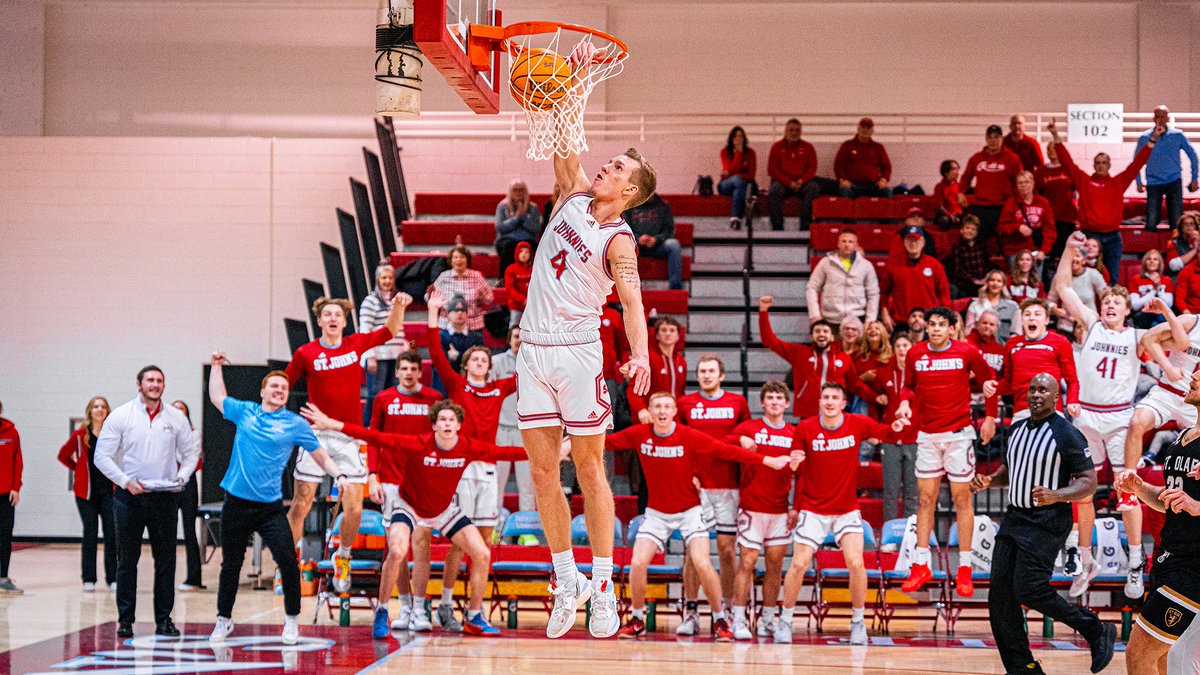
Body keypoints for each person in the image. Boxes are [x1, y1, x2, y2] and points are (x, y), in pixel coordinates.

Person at [516, 59, 654, 638]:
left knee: (591, 471)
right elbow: (565, 142)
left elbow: (632, 303)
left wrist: (641, 354)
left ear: (631, 191)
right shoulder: (569, 199)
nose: (606, 166)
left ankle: (603, 586)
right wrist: (566, 87)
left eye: (618, 166)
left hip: (577, 353)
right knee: (545, 476)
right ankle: (565, 579)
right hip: (533, 350)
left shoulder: (620, 242)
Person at [304, 399, 526, 638]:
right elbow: (375, 437)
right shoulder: (419, 444)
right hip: (408, 505)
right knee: (397, 552)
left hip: (442, 510)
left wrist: (555, 453)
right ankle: (382, 611)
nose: (447, 424)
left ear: (459, 425)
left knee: (482, 553)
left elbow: (506, 452)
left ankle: (474, 616)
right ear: (434, 426)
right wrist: (331, 424)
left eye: (452, 420)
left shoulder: (467, 446)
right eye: (442, 419)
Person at [603, 392, 789, 640]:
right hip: (657, 514)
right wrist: (569, 444)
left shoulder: (688, 436)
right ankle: (637, 617)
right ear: (650, 410)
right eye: (657, 406)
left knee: (702, 561)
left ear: (673, 412)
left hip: (690, 512)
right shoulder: (639, 434)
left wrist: (767, 460)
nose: (661, 411)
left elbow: (726, 451)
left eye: (667, 406)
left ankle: (719, 618)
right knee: (638, 563)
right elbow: (604, 441)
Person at [971, 373, 1113, 675]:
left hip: (1048, 520)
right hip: (1015, 517)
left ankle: (1095, 629)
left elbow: (1089, 482)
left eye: (1043, 390)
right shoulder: (1017, 429)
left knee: (1029, 589)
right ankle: (1023, 667)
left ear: (1055, 397)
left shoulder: (1067, 433)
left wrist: (1057, 495)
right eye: (1032, 389)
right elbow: (1011, 471)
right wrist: (989, 481)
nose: (1036, 394)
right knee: (999, 598)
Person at [206, 353, 347, 645]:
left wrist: (339, 476)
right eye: (274, 387)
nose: (279, 391)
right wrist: (217, 367)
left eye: (283, 388)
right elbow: (218, 397)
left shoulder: (295, 424)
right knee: (231, 564)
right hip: (236, 503)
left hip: (270, 508)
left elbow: (320, 455)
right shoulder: (245, 411)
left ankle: (292, 621)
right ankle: (223, 620)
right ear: (263, 392)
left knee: (287, 560)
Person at [285, 293, 409, 593]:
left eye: (337, 314)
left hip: (348, 434)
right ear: (319, 320)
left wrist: (399, 307)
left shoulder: (355, 344)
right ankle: (287, 564)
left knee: (354, 507)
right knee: (301, 504)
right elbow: (281, 384)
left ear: (344, 320)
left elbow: (389, 331)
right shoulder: (306, 353)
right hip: (315, 435)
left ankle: (343, 557)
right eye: (326, 314)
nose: (332, 319)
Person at [776, 383, 910, 645]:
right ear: (819, 402)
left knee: (856, 563)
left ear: (843, 402)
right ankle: (786, 620)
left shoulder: (856, 422)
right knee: (799, 563)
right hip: (813, 509)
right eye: (825, 397)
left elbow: (888, 433)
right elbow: (797, 467)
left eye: (834, 397)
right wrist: (793, 464)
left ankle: (858, 622)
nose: (829, 401)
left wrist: (896, 425)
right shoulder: (805, 428)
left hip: (846, 509)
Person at [1052, 232, 1146, 598]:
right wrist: (1068, 247)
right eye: (1106, 301)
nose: (1109, 306)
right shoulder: (1090, 324)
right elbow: (1062, 286)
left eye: (1115, 304)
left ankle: (1136, 562)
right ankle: (1085, 557)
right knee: (1084, 492)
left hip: (1121, 420)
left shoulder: (1138, 337)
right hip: (1088, 418)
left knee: (1128, 494)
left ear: (1126, 311)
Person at [426, 293, 517, 630]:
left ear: (489, 367)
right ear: (466, 365)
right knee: (458, 544)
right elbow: (436, 354)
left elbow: (530, 376)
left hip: (489, 469)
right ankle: (447, 603)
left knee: (484, 543)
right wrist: (434, 313)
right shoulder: (457, 384)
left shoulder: (498, 389)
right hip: (461, 470)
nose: (480, 364)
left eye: (484, 361)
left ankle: (475, 613)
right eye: (475, 360)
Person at [894, 307, 998, 597]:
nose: (936, 329)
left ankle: (965, 568)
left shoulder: (967, 352)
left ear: (952, 329)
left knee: (961, 499)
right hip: (927, 435)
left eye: (941, 324)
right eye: (931, 324)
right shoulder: (915, 354)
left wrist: (990, 418)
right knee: (924, 500)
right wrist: (904, 403)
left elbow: (990, 384)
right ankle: (920, 564)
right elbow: (908, 388)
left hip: (958, 436)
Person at [95, 366, 199, 638]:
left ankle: (164, 621)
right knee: (127, 561)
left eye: (160, 381)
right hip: (128, 498)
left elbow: (190, 455)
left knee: (166, 561)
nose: (155, 385)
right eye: (150, 380)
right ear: (139, 383)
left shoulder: (176, 417)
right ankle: (125, 621)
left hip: (164, 498)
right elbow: (101, 457)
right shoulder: (121, 415)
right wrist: (124, 480)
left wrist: (182, 476)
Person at [1115, 373, 1200, 675]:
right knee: (1166, 660)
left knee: (1138, 655)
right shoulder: (1182, 436)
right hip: (1170, 558)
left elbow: (1190, 505)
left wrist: (1196, 506)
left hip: (1193, 567)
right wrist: (1139, 489)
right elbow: (1168, 500)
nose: (1193, 376)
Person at [366, 350, 445, 631]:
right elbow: (373, 439)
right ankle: (406, 605)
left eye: (414, 369)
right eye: (404, 369)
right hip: (390, 482)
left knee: (421, 545)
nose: (409, 373)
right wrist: (372, 476)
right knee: (396, 549)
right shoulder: (384, 399)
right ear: (397, 372)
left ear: (420, 372)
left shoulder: (434, 399)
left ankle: (421, 609)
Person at [1128, 291, 1200, 599]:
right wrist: (1167, 367)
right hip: (1171, 389)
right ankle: (1129, 482)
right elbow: (1148, 338)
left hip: (1192, 402)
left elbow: (1179, 344)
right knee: (1136, 423)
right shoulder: (1191, 320)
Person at [676, 354, 751, 633]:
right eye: (702, 371)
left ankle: (727, 609)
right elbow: (677, 442)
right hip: (696, 487)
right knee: (694, 554)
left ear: (721, 375)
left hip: (729, 487)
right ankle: (691, 611)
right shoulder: (685, 404)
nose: (706, 375)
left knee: (727, 550)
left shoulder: (738, 403)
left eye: (711, 371)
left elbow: (747, 441)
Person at [1048, 117, 1163, 284]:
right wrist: (1055, 135)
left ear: (1109, 165)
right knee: (1083, 280)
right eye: (1098, 163)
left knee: (1112, 280)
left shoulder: (1118, 182)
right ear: (1094, 165)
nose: (1101, 165)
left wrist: (1153, 139)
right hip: (1089, 235)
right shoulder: (1084, 181)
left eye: (1104, 162)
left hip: (1113, 238)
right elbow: (1067, 163)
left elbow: (1137, 164)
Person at [727, 381, 798, 640]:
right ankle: (738, 618)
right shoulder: (750, 428)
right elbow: (722, 442)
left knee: (775, 564)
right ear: (763, 403)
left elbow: (803, 473)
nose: (775, 402)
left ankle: (769, 618)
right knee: (746, 562)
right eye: (770, 398)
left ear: (787, 404)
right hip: (751, 507)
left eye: (780, 398)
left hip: (780, 510)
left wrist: (795, 507)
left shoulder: (794, 433)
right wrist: (740, 438)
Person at [759, 297, 875, 418]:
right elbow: (769, 341)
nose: (821, 334)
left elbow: (856, 385)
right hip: (808, 414)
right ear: (811, 337)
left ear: (832, 337)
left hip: (835, 415)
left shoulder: (844, 358)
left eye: (825, 331)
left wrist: (876, 398)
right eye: (817, 331)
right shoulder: (800, 353)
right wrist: (763, 311)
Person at [58, 396, 116, 592]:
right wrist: (78, 471)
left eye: (103, 407)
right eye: (96, 406)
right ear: (90, 411)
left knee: (111, 534)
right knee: (90, 534)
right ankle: (88, 579)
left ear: (108, 411)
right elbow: (63, 455)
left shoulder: (113, 433)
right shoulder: (80, 435)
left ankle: (113, 578)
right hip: (86, 494)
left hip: (109, 492)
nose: (99, 410)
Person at [991, 298, 1079, 424]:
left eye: (1037, 314)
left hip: (1051, 411)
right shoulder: (1011, 344)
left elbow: (1072, 380)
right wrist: (993, 388)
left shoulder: (1061, 342)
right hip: (1021, 413)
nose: (1032, 318)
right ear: (1022, 321)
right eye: (1027, 314)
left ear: (1046, 320)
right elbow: (1009, 383)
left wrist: (1072, 401)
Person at [875, 333, 921, 520]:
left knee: (912, 490)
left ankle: (910, 533)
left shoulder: (920, 373)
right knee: (891, 490)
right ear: (893, 349)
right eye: (899, 346)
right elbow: (875, 398)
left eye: (906, 345)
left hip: (914, 436)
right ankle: (889, 535)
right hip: (890, 437)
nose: (902, 349)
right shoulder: (884, 372)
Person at [359, 262, 409, 424]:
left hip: (396, 356)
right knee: (375, 394)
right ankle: (367, 428)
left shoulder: (396, 300)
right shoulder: (370, 301)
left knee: (392, 395)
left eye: (390, 277)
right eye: (384, 277)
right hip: (378, 357)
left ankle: (386, 429)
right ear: (377, 279)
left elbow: (398, 327)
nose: (387, 281)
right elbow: (365, 330)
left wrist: (404, 345)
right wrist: (370, 355)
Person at [1135, 105, 1199, 232]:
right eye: (1157, 116)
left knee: (1177, 221)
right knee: (1151, 221)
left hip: (1173, 180)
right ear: (1153, 118)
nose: (1160, 119)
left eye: (1163, 116)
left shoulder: (1177, 135)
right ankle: (1151, 250)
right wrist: (1138, 181)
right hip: (1153, 182)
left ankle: (1176, 250)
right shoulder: (1145, 137)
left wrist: (1194, 178)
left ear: (1168, 118)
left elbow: (1193, 156)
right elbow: (1137, 161)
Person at [958, 124, 1022, 247]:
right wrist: (960, 192)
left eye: (996, 137)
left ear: (1002, 139)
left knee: (1006, 242)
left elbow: (1019, 183)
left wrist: (1017, 203)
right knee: (974, 240)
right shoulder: (976, 158)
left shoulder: (1012, 159)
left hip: (1004, 207)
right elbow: (966, 177)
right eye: (990, 137)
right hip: (981, 207)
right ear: (986, 139)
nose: (993, 140)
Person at [492, 327, 533, 512]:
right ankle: (493, 528)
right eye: (516, 336)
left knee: (527, 485)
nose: (519, 340)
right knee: (496, 484)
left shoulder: (534, 364)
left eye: (523, 337)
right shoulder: (496, 362)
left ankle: (527, 531)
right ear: (509, 339)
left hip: (525, 431)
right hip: (500, 430)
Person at [879, 225, 951, 332]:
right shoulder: (893, 264)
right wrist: (884, 313)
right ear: (904, 242)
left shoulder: (935, 265)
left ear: (923, 242)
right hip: (901, 322)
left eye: (916, 240)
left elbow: (944, 293)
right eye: (910, 240)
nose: (913, 243)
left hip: (928, 323)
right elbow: (883, 291)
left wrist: (943, 317)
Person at [806, 229, 880, 330]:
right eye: (844, 241)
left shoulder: (866, 266)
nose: (847, 244)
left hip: (856, 321)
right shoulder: (825, 263)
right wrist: (814, 315)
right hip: (830, 321)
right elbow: (812, 288)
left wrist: (870, 320)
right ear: (838, 244)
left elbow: (873, 294)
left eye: (851, 242)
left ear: (856, 245)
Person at [627, 316, 687, 425]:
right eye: (663, 330)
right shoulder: (647, 358)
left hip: (672, 418)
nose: (668, 333)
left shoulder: (681, 361)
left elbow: (680, 392)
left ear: (678, 336)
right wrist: (641, 410)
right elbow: (633, 389)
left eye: (672, 330)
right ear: (657, 335)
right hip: (649, 417)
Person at [1036, 140, 1080, 287]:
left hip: (1067, 218)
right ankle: (1049, 286)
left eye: (1055, 148)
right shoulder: (1041, 172)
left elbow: (1079, 190)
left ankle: (1067, 285)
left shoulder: (1068, 169)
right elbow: (1036, 195)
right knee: (1050, 256)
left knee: (1066, 255)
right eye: (1049, 148)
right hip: (1049, 220)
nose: (1052, 151)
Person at [171, 400, 203, 592]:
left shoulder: (194, 433)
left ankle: (194, 578)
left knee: (190, 531)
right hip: (168, 485)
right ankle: (167, 577)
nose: (177, 412)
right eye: (174, 409)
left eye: (181, 409)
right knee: (167, 532)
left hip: (188, 484)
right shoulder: (163, 432)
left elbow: (190, 459)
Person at [766, 119, 820, 231]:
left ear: (800, 132)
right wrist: (788, 182)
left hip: (802, 183)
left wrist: (802, 180)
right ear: (785, 131)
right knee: (774, 189)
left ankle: (805, 226)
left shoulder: (808, 147)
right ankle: (777, 226)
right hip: (783, 183)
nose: (794, 133)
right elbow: (772, 170)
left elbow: (812, 168)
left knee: (814, 187)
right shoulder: (776, 147)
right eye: (791, 130)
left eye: (797, 130)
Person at [623, 191, 683, 291]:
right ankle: (626, 288)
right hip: (635, 246)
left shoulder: (663, 206)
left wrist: (657, 239)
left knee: (674, 245)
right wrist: (638, 239)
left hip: (657, 245)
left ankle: (675, 287)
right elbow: (623, 229)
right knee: (622, 245)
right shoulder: (629, 206)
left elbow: (669, 231)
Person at [432, 245, 494, 334]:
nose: (458, 260)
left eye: (462, 257)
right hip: (447, 325)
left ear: (467, 260)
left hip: (473, 326)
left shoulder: (476, 276)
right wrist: (436, 301)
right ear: (451, 260)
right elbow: (429, 297)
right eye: (455, 257)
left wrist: (482, 296)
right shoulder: (443, 276)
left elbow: (490, 298)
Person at [996, 171, 1055, 262]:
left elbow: (1050, 230)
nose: (1023, 185)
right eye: (1020, 183)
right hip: (1015, 251)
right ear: (1017, 186)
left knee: (1035, 276)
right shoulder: (1011, 203)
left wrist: (1044, 251)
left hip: (1036, 251)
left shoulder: (1043, 203)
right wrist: (1018, 227)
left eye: (1026, 182)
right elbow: (1001, 227)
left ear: (1032, 183)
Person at [432, 294, 485, 394]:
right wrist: (466, 357)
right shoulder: (440, 336)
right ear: (448, 314)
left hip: (469, 384)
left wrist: (458, 356)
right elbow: (441, 363)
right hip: (445, 384)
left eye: (463, 310)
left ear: (467, 314)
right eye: (455, 310)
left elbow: (480, 362)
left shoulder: (476, 338)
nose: (459, 313)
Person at [1048, 246, 1107, 335]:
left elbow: (1106, 297)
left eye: (1077, 256)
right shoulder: (1059, 277)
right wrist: (1055, 309)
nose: (1073, 259)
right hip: (1066, 326)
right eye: (1071, 256)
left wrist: (1103, 315)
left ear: (1084, 260)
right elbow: (1050, 300)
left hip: (1089, 325)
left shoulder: (1093, 274)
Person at [834, 117, 892, 199]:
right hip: (852, 185)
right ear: (858, 129)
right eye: (863, 127)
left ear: (872, 131)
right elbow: (838, 165)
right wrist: (843, 179)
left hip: (873, 185)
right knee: (844, 190)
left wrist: (883, 180)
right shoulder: (847, 145)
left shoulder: (878, 147)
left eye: (868, 128)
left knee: (887, 191)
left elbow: (887, 167)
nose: (865, 130)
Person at [495, 178, 541, 279]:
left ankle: (533, 280)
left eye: (521, 190)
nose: (518, 193)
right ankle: (503, 280)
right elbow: (500, 227)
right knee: (509, 247)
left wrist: (523, 217)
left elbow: (536, 228)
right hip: (507, 240)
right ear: (510, 191)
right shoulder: (502, 206)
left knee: (531, 248)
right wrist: (516, 218)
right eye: (515, 190)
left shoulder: (533, 207)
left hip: (527, 240)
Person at [0, 402, 22, 595]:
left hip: (6, 495)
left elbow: (17, 461)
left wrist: (16, 487)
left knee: (5, 536)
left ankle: (3, 578)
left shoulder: (11, 431)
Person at [719, 125, 759, 230]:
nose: (738, 139)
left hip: (743, 186)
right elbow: (730, 171)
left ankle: (735, 219)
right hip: (726, 185)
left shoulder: (751, 153)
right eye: (735, 137)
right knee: (738, 180)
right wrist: (739, 153)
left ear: (744, 138)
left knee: (739, 188)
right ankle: (747, 201)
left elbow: (751, 175)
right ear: (731, 139)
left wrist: (734, 174)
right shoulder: (725, 152)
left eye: (741, 136)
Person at [964, 269, 1019, 342]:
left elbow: (1017, 332)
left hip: (1004, 347)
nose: (995, 283)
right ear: (987, 283)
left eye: (999, 281)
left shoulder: (1013, 306)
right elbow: (968, 331)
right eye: (992, 280)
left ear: (1003, 285)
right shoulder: (975, 305)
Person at [1129, 249, 1175, 329]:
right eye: (1149, 259)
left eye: (1155, 259)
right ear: (1144, 262)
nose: (1152, 261)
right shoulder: (1135, 280)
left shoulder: (1166, 280)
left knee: (1156, 321)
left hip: (1161, 314)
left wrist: (1159, 290)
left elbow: (1169, 304)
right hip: (1142, 313)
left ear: (1159, 263)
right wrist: (1153, 291)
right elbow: (1135, 305)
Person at [949, 216, 988, 299]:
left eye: (973, 229)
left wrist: (985, 278)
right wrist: (974, 280)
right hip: (965, 282)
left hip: (981, 280)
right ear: (961, 230)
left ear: (977, 233)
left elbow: (986, 263)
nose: (970, 231)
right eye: (967, 228)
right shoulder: (957, 247)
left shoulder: (981, 245)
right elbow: (958, 270)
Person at [504, 242, 534, 328]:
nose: (523, 254)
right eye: (521, 251)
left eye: (526, 252)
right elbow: (510, 289)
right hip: (516, 305)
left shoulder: (533, 269)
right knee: (514, 326)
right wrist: (523, 300)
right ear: (517, 253)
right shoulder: (511, 269)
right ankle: (511, 341)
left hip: (531, 305)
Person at [1166, 211, 1200, 277]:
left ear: (1196, 227)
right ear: (1181, 228)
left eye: (1191, 224)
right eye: (1185, 224)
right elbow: (1173, 266)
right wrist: (1195, 250)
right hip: (1180, 276)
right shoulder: (1174, 243)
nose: (1188, 226)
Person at [932, 159, 963, 229]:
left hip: (957, 214)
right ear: (946, 172)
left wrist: (956, 215)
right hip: (944, 214)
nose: (957, 172)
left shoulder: (960, 186)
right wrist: (950, 215)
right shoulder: (939, 187)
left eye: (958, 169)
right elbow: (939, 206)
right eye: (954, 169)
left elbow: (962, 205)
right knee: (945, 221)